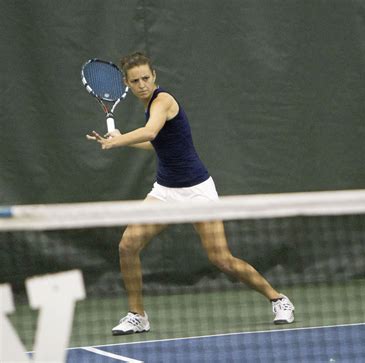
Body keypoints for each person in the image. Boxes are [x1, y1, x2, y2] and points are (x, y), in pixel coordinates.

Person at [86, 52, 294, 336]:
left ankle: (279, 299)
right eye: (135, 81)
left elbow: (150, 132)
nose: (142, 84)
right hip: (166, 191)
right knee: (127, 245)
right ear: (127, 83)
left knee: (221, 259)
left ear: (154, 77)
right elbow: (156, 142)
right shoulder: (149, 106)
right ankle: (138, 315)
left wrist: (119, 140)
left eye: (146, 78)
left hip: (198, 191)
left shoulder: (164, 101)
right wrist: (123, 139)